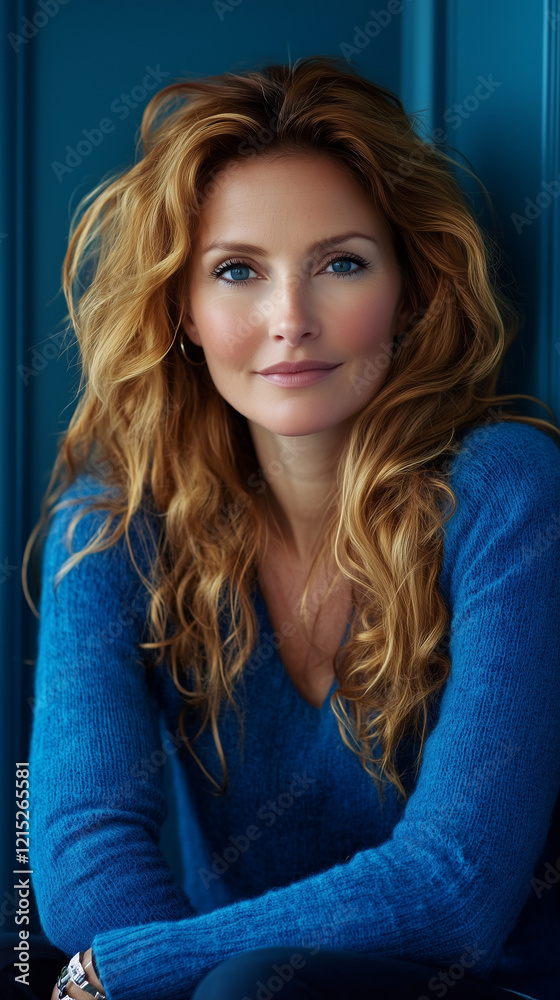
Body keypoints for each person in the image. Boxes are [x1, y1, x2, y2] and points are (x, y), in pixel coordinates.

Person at [13, 54, 560, 1000]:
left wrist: (140, 969)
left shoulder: (506, 490)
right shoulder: (112, 520)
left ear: (412, 283)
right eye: (236, 272)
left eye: (341, 264)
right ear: (182, 309)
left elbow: (454, 891)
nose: (290, 320)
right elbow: (81, 865)